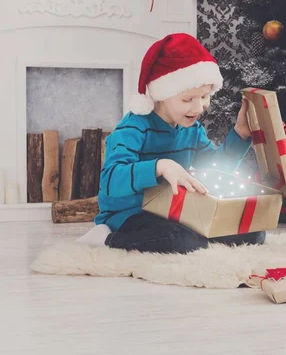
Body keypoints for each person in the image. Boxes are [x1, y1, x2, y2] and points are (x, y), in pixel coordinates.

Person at [75, 33, 265, 253]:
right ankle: (106, 239)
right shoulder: (133, 127)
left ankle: (196, 237)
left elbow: (214, 165)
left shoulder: (191, 129)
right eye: (188, 99)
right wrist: (160, 167)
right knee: (181, 239)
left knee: (254, 232)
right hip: (129, 214)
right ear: (162, 95)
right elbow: (110, 179)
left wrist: (241, 134)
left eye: (205, 96)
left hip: (174, 210)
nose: (199, 107)